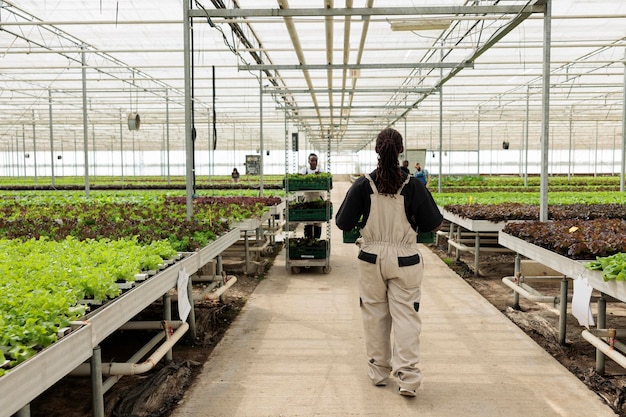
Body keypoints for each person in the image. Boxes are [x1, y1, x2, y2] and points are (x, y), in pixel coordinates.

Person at [335, 127, 443, 397]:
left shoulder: (363, 185)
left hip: (371, 258)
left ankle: (379, 372)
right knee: (406, 315)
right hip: (405, 258)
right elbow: (433, 222)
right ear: (401, 152)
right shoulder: (413, 186)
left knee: (375, 315)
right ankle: (408, 378)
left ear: (376, 151)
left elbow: (342, 222)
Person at [299, 153, 323, 238]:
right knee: (308, 221)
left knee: (318, 222)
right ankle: (308, 240)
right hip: (307, 199)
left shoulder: (321, 171)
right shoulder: (304, 170)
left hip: (318, 199)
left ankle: (317, 240)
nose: (314, 162)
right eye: (312, 160)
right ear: (309, 161)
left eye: (315, 160)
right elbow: (300, 179)